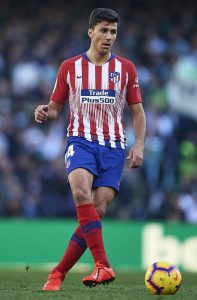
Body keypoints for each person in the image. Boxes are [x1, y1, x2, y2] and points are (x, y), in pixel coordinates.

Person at [34, 8, 146, 291]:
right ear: (91, 32)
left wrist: (140, 144)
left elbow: (138, 112)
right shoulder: (70, 67)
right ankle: (103, 265)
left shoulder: (126, 69)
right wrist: (45, 111)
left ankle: (57, 273)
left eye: (114, 32)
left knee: (96, 211)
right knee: (81, 192)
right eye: (104, 30)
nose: (109, 37)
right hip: (81, 141)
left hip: (113, 148)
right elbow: (57, 108)